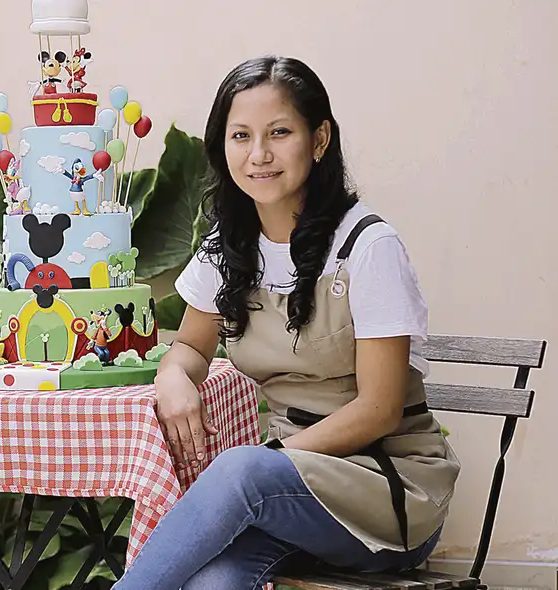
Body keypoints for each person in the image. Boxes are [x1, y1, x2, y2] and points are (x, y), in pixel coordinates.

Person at [111, 56, 461, 590]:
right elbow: (191, 348)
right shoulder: (228, 248)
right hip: (290, 489)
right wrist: (173, 375)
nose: (259, 154)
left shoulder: (367, 247)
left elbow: (379, 409)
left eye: (279, 132)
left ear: (319, 139)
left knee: (240, 470)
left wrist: (269, 462)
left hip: (386, 491)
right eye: (241, 136)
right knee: (212, 586)